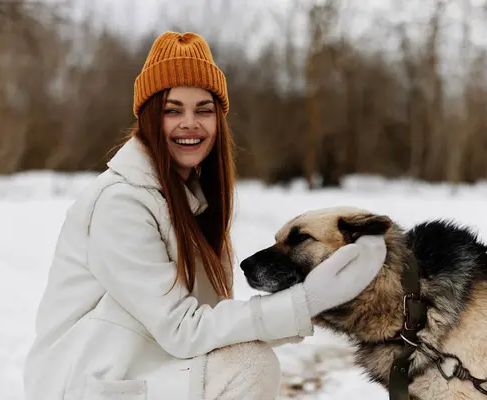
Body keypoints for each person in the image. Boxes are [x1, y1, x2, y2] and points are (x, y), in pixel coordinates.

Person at [23, 31, 387, 400]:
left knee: (245, 358)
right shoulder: (121, 204)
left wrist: (320, 299)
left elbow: (212, 327)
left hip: (145, 373)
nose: (190, 123)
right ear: (149, 118)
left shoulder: (191, 204)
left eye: (203, 110)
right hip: (88, 384)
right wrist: (306, 302)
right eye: (172, 110)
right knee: (249, 365)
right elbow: (184, 329)